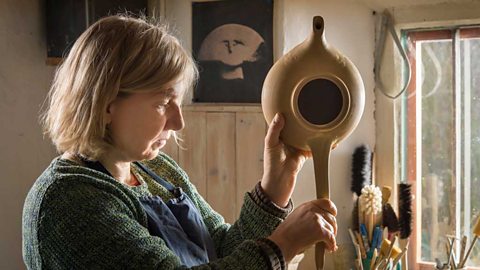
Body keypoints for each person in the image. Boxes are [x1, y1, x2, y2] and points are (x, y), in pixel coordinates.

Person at [22, 15, 338, 269]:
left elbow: (222, 249)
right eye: (163, 102)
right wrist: (282, 246)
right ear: (106, 103)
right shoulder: (68, 203)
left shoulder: (153, 167)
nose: (178, 121)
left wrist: (274, 189)